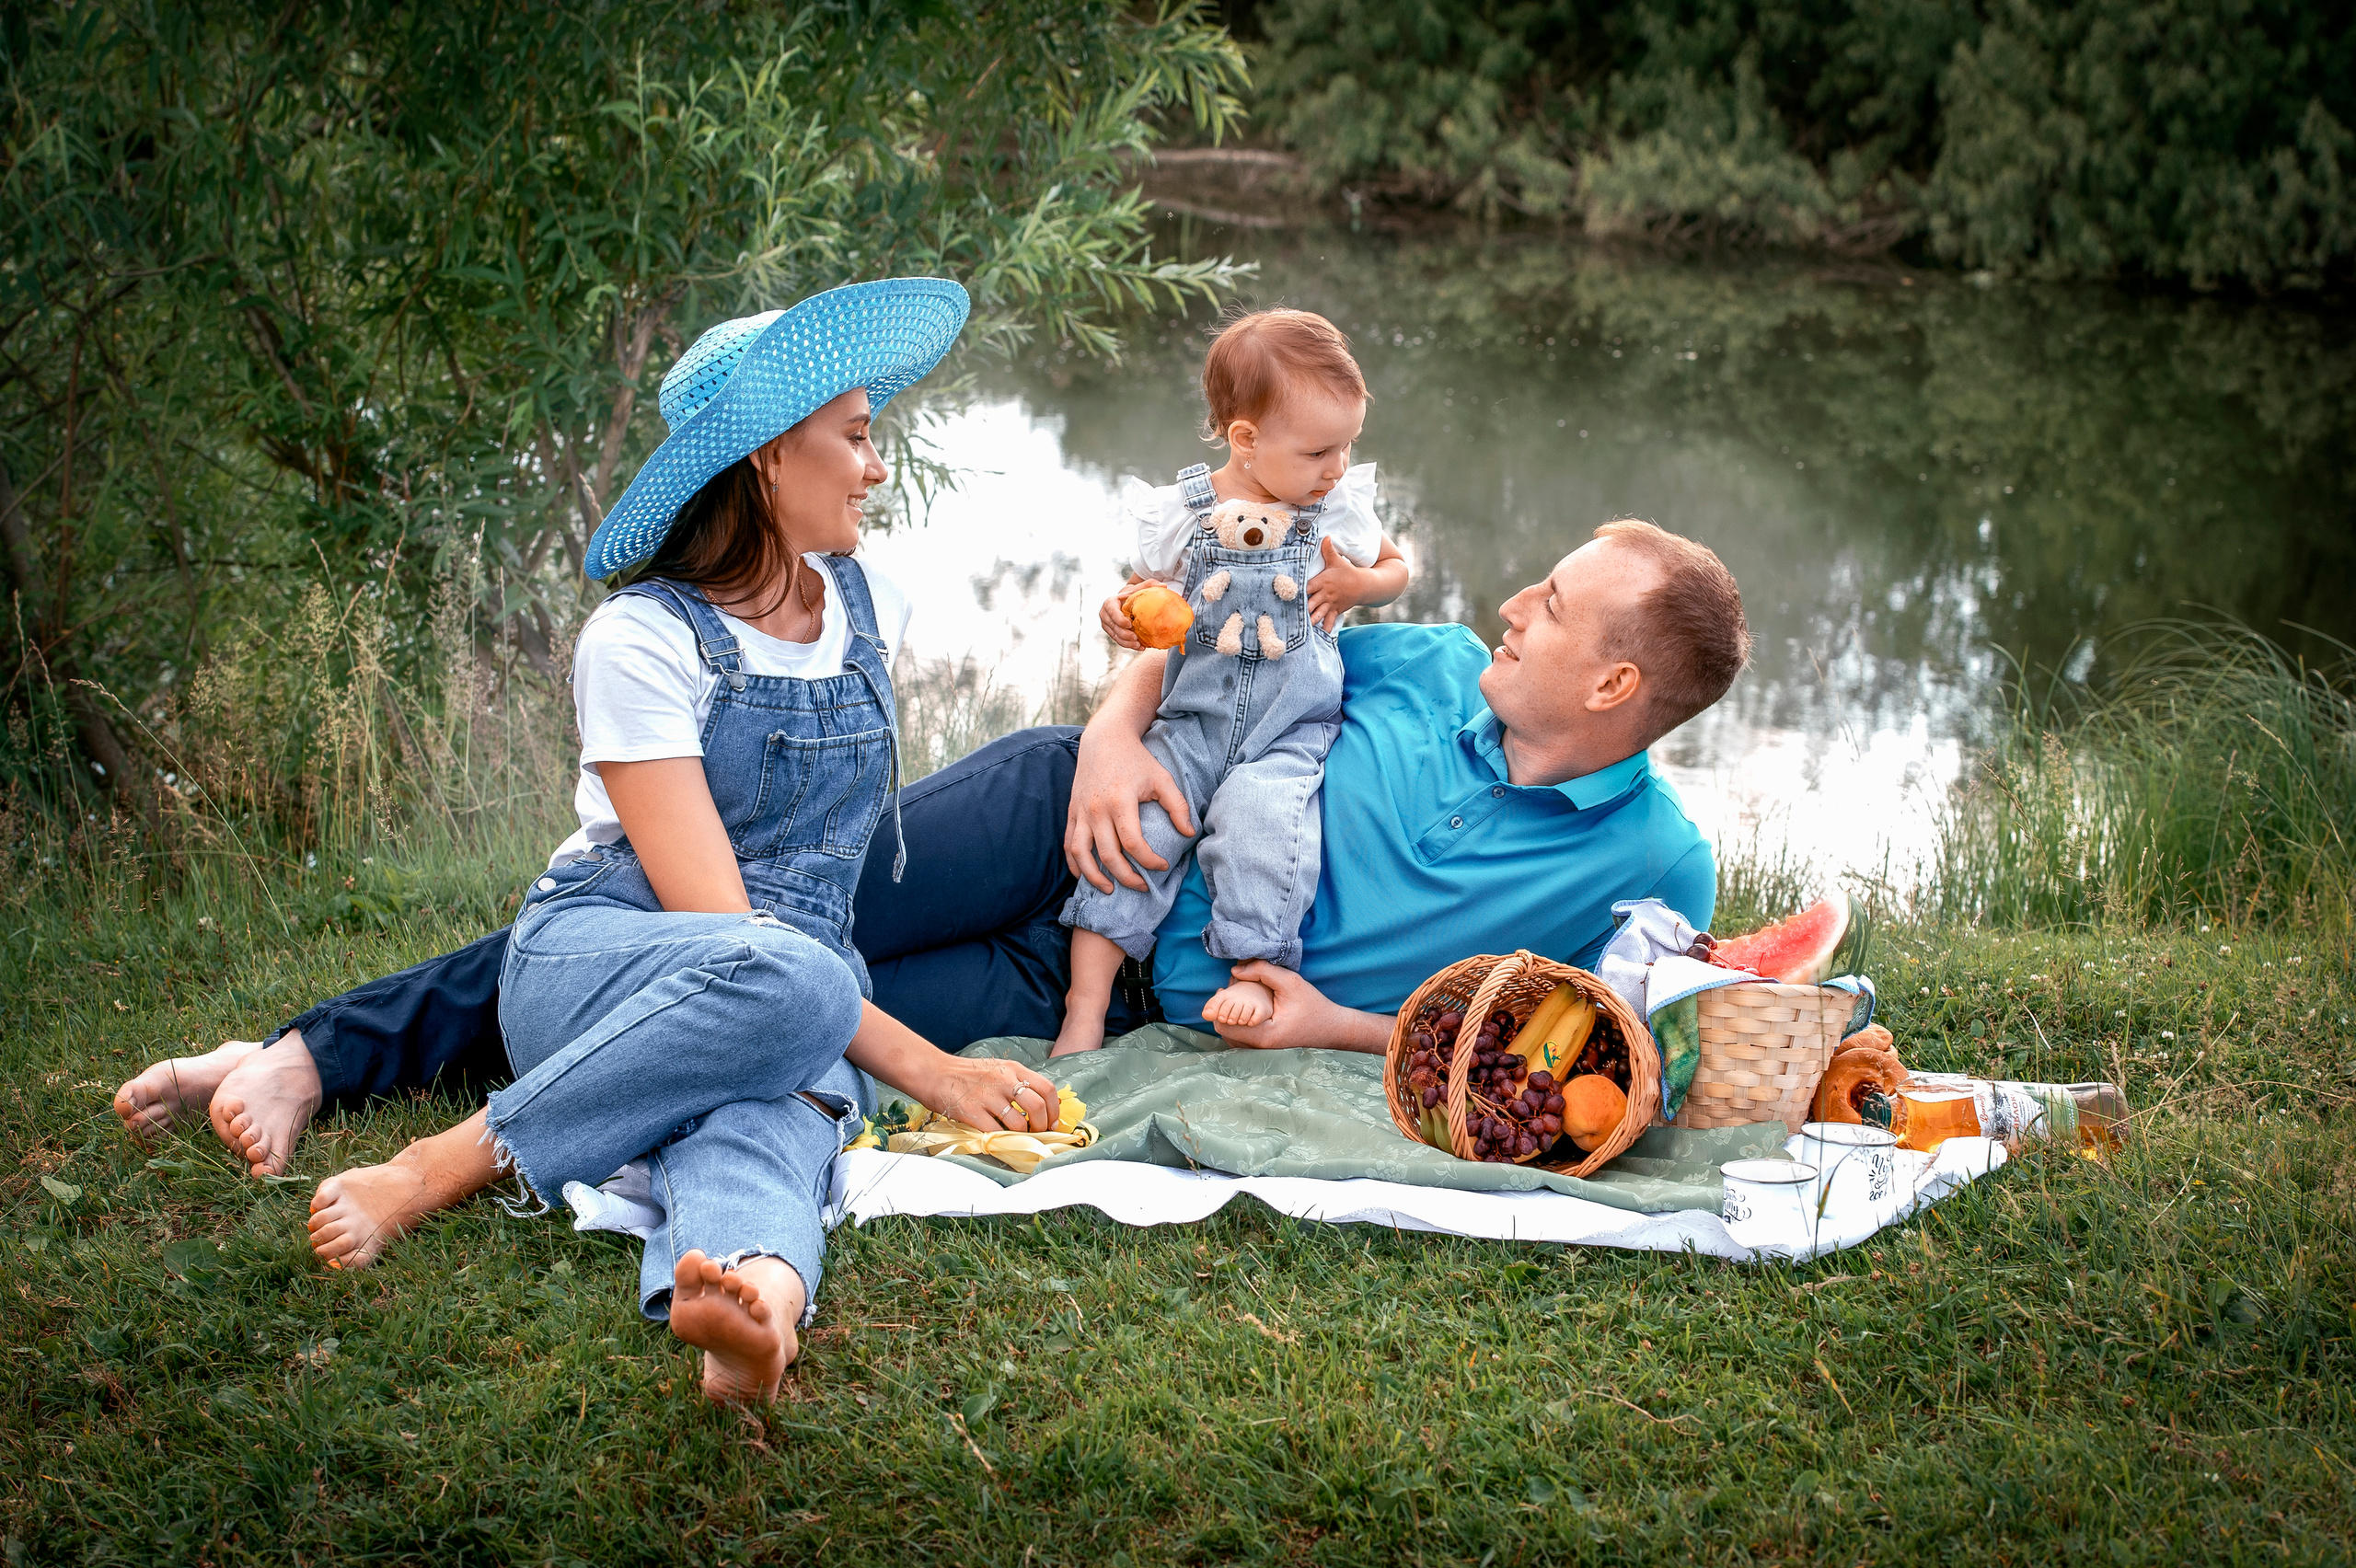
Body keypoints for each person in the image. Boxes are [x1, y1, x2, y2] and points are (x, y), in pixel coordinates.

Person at [121, 525, 1748, 1186]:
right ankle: (313, 1054)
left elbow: (1593, 1061)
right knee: (734, 916)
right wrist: (1109, 733)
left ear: (1615, 687)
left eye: (1552, 605)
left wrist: (1330, 1024)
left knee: (753, 997)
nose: (1511, 605)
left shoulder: (1657, 867)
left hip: (1091, 991)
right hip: (1060, 823)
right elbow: (1195, 646)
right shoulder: (1422, 660)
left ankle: (378, 1085)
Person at [283, 279, 1068, 1407]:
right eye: (855, 437)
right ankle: (442, 1163)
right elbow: (717, 918)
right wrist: (935, 1070)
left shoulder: (867, 605)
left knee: (774, 1106)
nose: (876, 467)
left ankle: (755, 1308)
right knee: (805, 984)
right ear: (768, 456)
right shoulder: (641, 638)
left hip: (785, 989)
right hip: (603, 954)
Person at [1056, 308, 1409, 1056]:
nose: (1337, 467)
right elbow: (1144, 590)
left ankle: (1255, 970)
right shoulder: (1183, 513)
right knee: (1138, 836)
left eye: (1347, 445)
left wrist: (1358, 585)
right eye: (1319, 451)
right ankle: (1084, 1005)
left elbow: (1396, 568)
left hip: (1290, 728)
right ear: (1245, 439)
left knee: (1266, 832)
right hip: (1191, 720)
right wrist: (1122, 612)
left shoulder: (1335, 510)